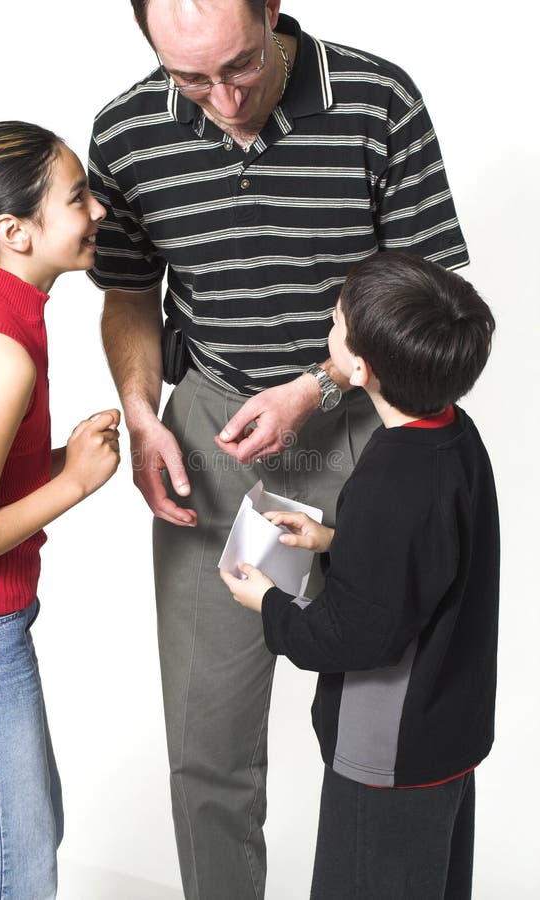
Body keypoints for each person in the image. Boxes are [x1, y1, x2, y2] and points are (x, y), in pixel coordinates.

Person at [88, 1, 470, 896]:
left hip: (370, 431)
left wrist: (320, 386)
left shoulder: (377, 99)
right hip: (212, 439)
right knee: (206, 744)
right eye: (189, 77)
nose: (220, 98)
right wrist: (143, 414)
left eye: (239, 65)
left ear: (271, 13)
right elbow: (129, 295)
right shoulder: (126, 129)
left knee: (396, 736)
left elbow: (432, 290)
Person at [221, 251, 499, 900]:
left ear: (358, 367)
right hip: (448, 734)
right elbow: (427, 558)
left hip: (388, 752)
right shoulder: (453, 437)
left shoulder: (387, 479)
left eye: (337, 319)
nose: (330, 322)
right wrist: (331, 541)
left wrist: (268, 603)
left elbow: (353, 636)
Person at [0, 121, 120, 900]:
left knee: (25, 832)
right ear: (14, 232)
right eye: (78, 196)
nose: (100, 211)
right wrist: (73, 482)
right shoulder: (0, 349)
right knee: (19, 860)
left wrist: (62, 456)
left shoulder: (3, 311)